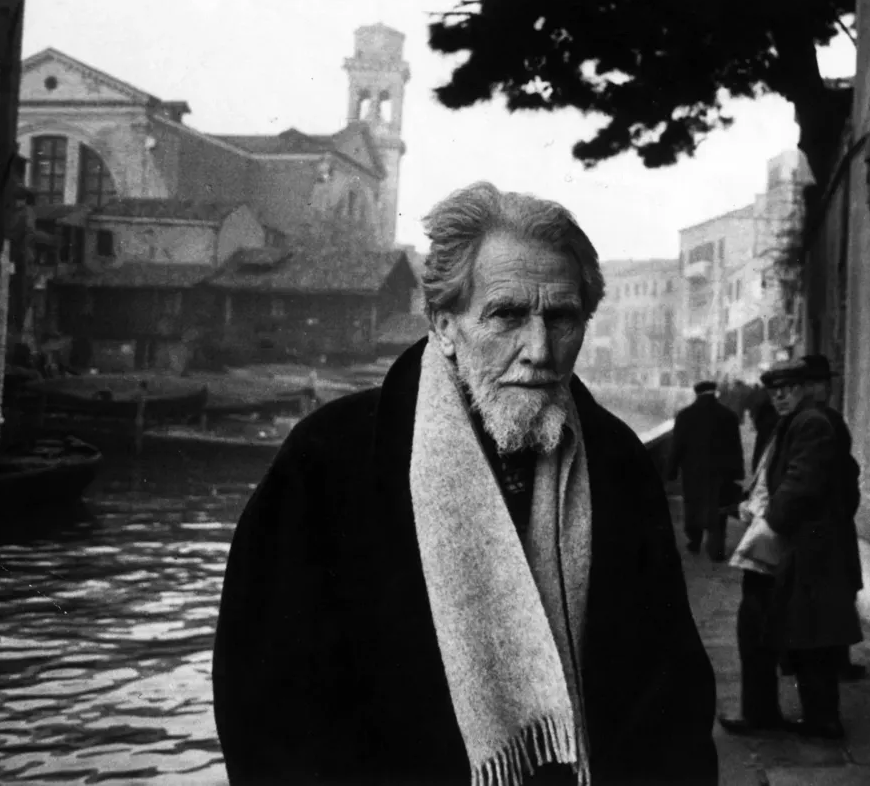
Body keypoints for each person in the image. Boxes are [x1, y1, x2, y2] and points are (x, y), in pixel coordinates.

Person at [212, 182, 718, 786]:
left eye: (562, 318)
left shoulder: (616, 462)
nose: (539, 351)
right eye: (506, 315)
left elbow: (669, 693)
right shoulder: (329, 457)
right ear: (444, 325)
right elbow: (266, 703)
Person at [719, 357, 863, 740]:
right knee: (791, 633)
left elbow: (802, 483)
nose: (780, 397)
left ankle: (801, 719)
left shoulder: (811, 423)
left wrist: (770, 524)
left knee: (789, 633)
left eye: (788, 389)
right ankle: (788, 716)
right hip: (800, 549)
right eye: (774, 391)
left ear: (804, 389)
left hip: (796, 549)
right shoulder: (799, 421)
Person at [797, 353, 867, 682]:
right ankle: (835, 663)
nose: (828, 389)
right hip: (830, 524)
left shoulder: (798, 419)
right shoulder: (826, 421)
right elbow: (843, 473)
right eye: (822, 383)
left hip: (815, 525)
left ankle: (808, 660)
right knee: (836, 596)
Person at [669, 380, 745, 562]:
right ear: (715, 392)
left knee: (693, 506)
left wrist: (671, 470)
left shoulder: (685, 415)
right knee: (719, 508)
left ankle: (694, 541)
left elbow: (677, 446)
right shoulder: (728, 415)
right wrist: (738, 472)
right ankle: (716, 549)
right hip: (721, 472)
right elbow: (736, 447)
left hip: (693, 471)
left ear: (697, 393)